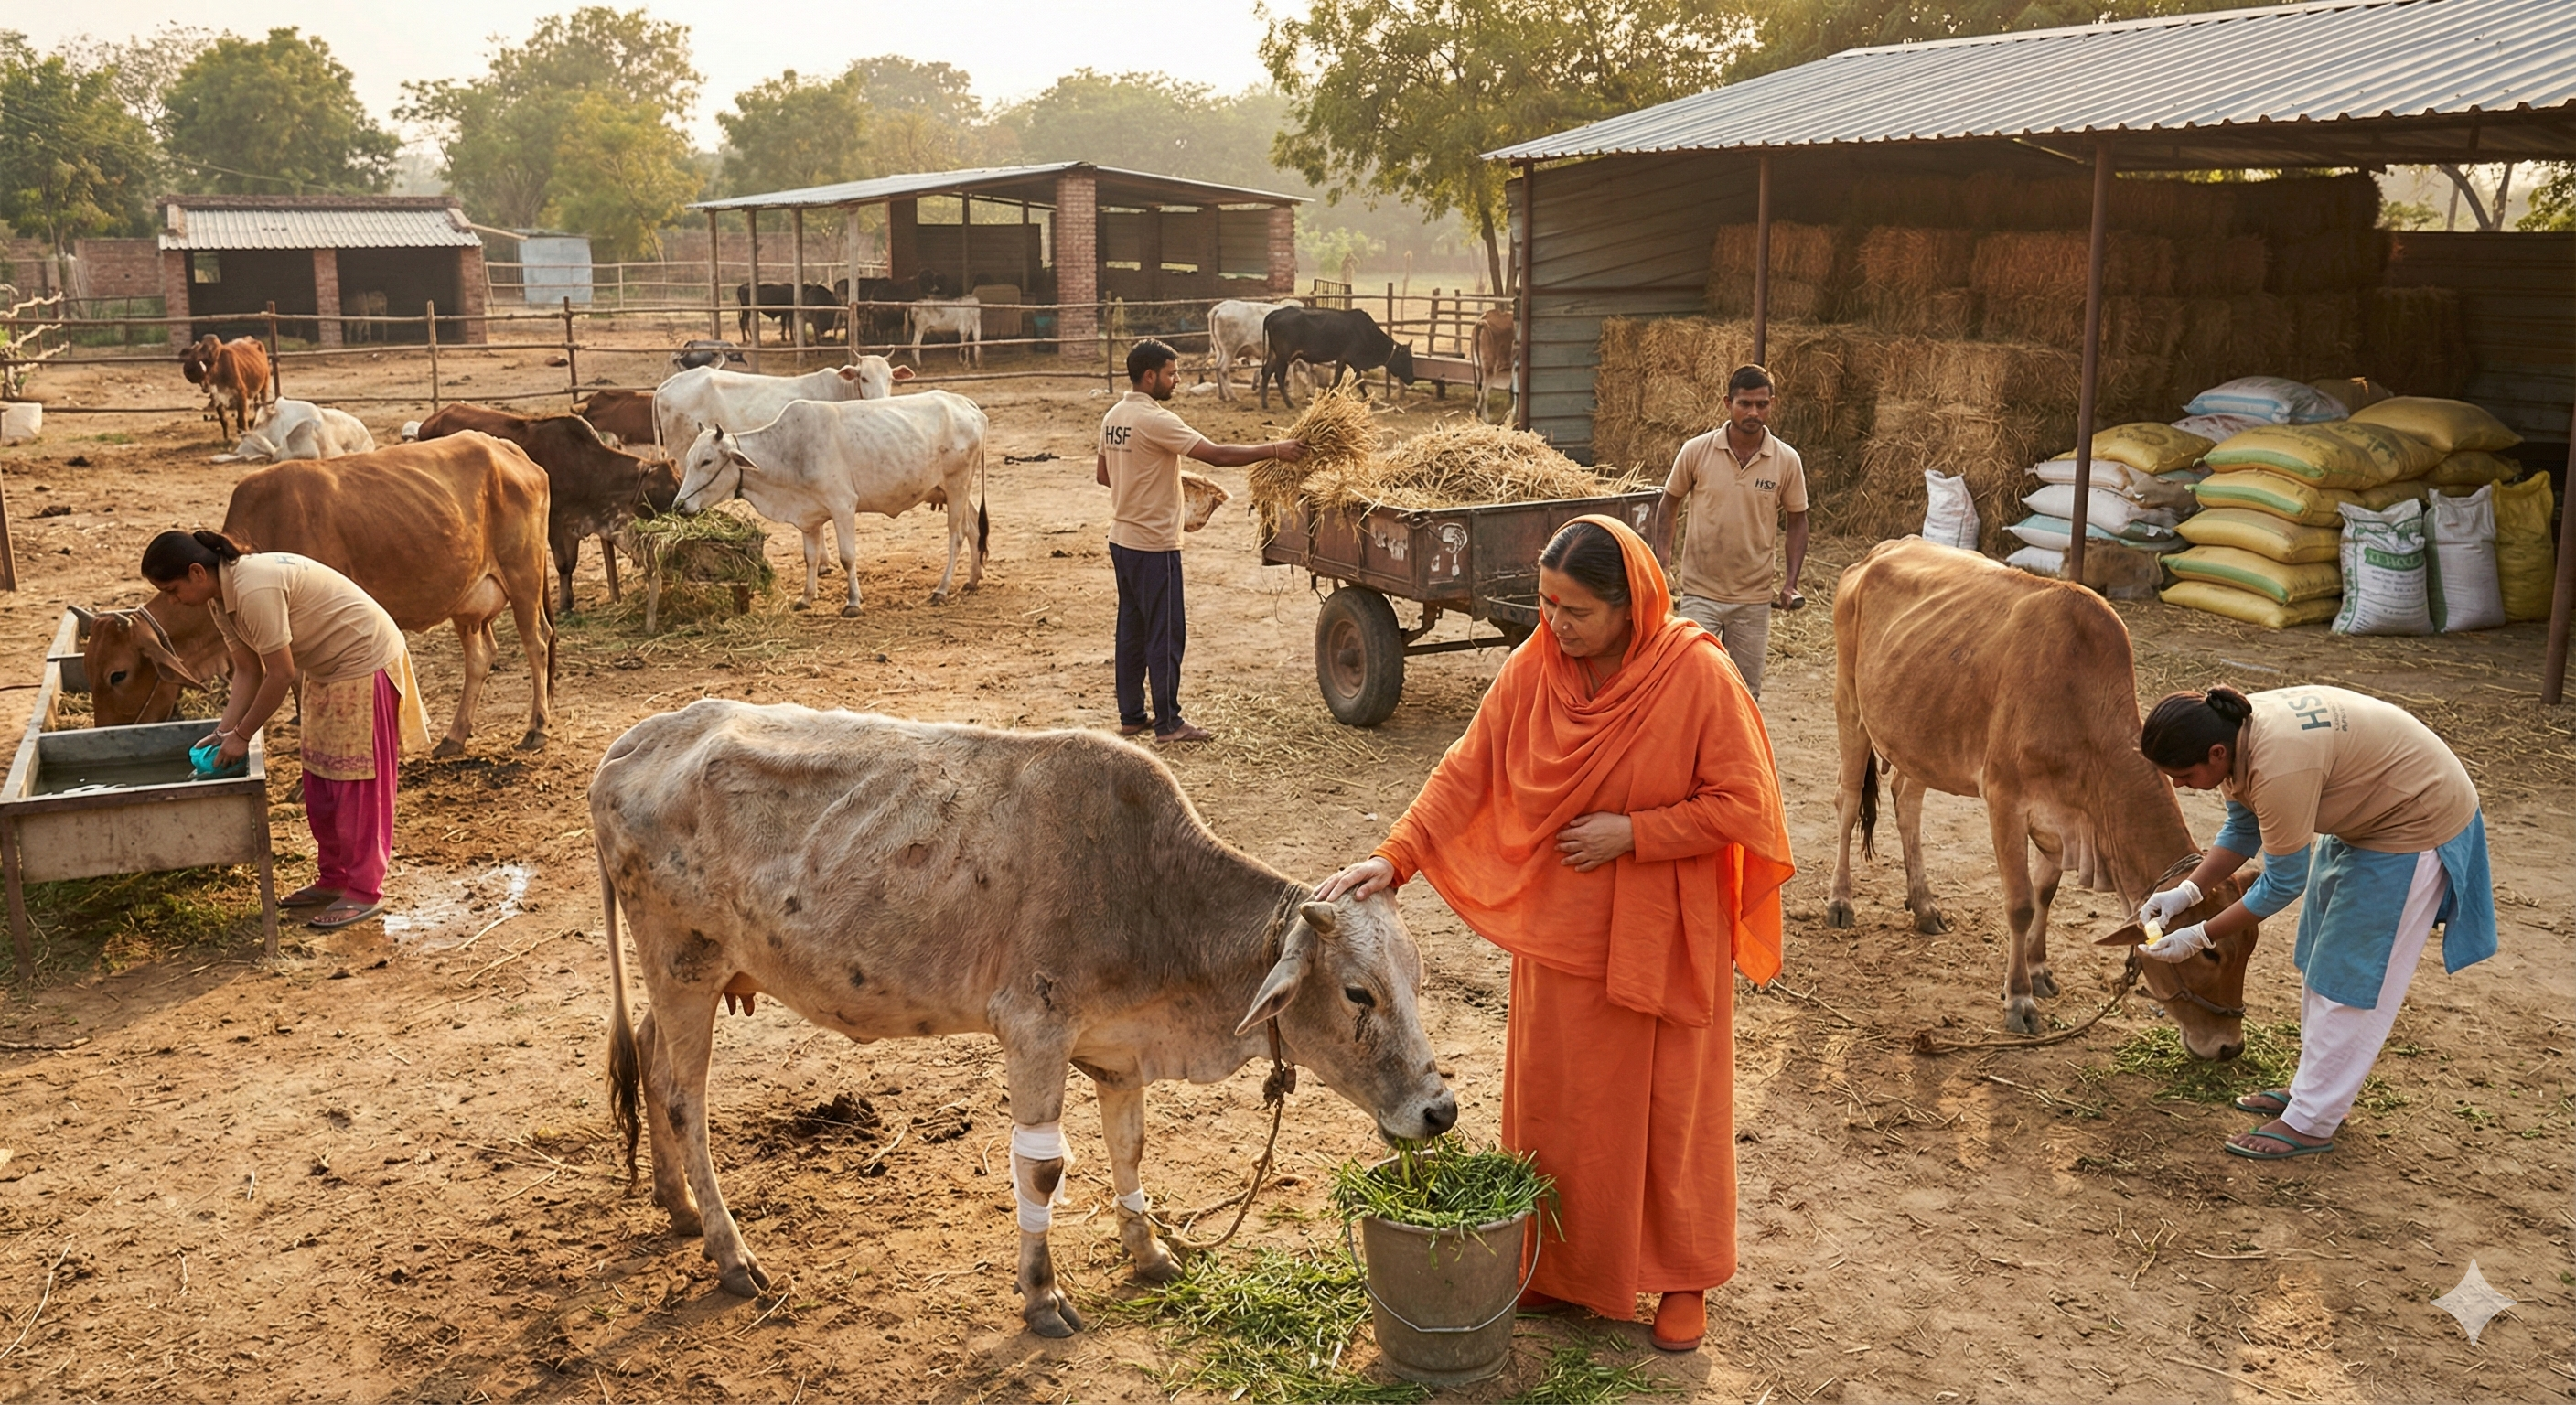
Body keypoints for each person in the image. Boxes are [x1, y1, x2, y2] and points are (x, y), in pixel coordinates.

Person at [1317, 516, 1793, 1352]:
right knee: (1562, 1107)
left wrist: (1635, 833)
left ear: (1629, 607)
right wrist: (1396, 857)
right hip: (1562, 933)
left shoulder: (1697, 676)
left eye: (1575, 610)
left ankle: (1685, 1276)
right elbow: (1467, 768)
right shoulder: (1534, 667)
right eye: (1546, 603)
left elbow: (1745, 806)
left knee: (1668, 1107)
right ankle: (1561, 1271)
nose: (1557, 624)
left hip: (1664, 934)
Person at [2135, 684, 2495, 1161]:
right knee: (2319, 961)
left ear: (2217, 754)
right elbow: (2245, 828)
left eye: (2183, 775)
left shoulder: (2279, 764)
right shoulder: (2232, 729)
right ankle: (2314, 1092)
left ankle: (2313, 1121)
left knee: (2349, 978)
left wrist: (2200, 934)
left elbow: (2283, 883)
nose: (2179, 786)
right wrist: (2187, 892)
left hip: (2411, 826)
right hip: (2364, 815)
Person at [141, 531, 430, 930]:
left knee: (356, 784)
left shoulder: (253, 586)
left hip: (364, 662)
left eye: (172, 590)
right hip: (328, 669)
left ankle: (364, 891)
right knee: (322, 781)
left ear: (196, 573)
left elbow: (280, 673)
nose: (172, 601)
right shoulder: (221, 600)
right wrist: (225, 731)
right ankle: (334, 879)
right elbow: (247, 669)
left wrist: (243, 736)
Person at [1095, 338, 1304, 744]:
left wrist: (1155, 480)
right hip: (1154, 543)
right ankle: (1169, 723)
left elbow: (1104, 476)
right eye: (1172, 373)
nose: (1177, 380)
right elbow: (1218, 455)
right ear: (1150, 375)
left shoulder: (1114, 416)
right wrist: (1276, 449)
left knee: (1131, 628)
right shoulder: (1157, 420)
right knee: (1166, 632)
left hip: (1121, 538)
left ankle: (1132, 716)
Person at [1648, 363, 1809, 700]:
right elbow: (1669, 504)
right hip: (1700, 593)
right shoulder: (1697, 451)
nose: (1753, 412)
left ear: (1772, 404)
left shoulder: (1786, 460)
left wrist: (1790, 583)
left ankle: (1737, 754)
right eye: (1745, 403)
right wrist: (1663, 564)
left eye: (1762, 404)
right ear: (1727, 403)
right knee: (1689, 686)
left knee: (1744, 694)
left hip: (1753, 598)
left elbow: (1797, 520)